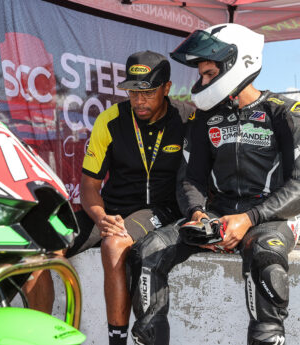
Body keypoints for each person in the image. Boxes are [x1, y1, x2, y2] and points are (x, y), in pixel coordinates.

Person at [127, 23, 300, 345]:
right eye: (201, 75)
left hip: (271, 217)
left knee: (265, 260)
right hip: (218, 214)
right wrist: (198, 214)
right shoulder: (203, 118)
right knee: (148, 251)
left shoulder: (287, 112)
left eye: (209, 74)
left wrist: (248, 220)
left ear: (239, 63)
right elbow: (190, 178)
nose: (202, 82)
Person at [65, 50, 190, 345]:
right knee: (46, 246)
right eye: (133, 92)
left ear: (167, 88)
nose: (139, 100)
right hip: (111, 208)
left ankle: (116, 341)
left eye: (147, 92)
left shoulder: (187, 117)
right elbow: (89, 185)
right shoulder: (111, 120)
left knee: (114, 245)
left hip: (160, 208)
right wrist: (100, 216)